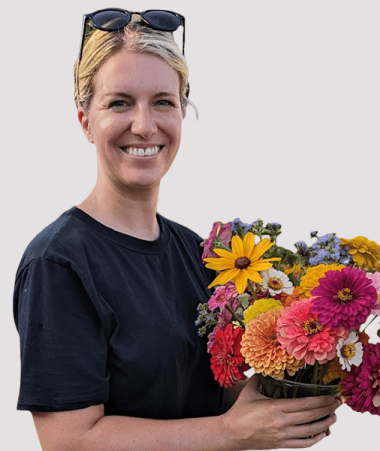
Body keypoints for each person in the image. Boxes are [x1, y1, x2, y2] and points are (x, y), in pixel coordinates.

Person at [13, 8, 341, 451]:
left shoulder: (201, 254)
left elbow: (210, 394)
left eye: (163, 101)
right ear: (85, 121)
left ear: (182, 113)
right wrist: (231, 433)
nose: (144, 125)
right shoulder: (61, 263)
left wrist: (315, 367)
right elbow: (69, 440)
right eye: (119, 102)